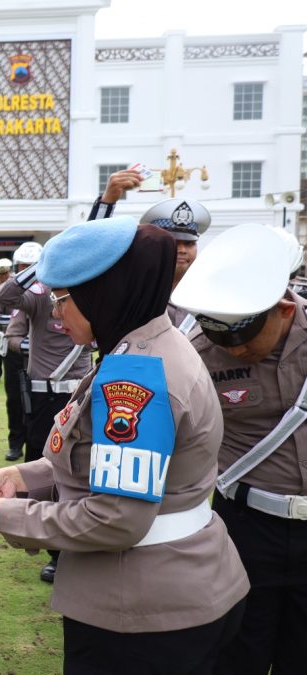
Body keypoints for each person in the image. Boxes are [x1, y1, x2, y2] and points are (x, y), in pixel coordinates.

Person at [0, 216, 249, 675]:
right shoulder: (144, 346)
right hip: (168, 590)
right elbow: (98, 458)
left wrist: (11, 517)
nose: (55, 312)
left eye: (63, 298)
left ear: (104, 293)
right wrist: (25, 475)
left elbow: (117, 519)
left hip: (141, 613)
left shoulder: (137, 377)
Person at [172, 223, 307, 675]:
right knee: (237, 655)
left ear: (285, 310)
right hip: (245, 525)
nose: (235, 350)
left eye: (246, 337)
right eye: (222, 339)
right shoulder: (196, 353)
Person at [0, 242, 94, 581]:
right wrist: (40, 266)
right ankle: (50, 544)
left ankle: (70, 548)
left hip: (79, 394)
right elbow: (5, 298)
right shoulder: (39, 295)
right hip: (42, 396)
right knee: (42, 466)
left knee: (79, 470)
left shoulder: (89, 292)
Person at [88, 169, 210, 332]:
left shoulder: (206, 294)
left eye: (189, 244)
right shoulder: (132, 287)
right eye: (173, 242)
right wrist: (107, 203)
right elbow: (89, 257)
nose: (181, 250)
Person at [0, 244, 40, 463]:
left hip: (41, 357)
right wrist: (11, 322)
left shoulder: (50, 290)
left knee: (38, 402)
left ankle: (35, 444)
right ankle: (16, 443)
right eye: (22, 265)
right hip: (14, 351)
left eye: (31, 266)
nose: (26, 269)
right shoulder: (8, 288)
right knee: (15, 399)